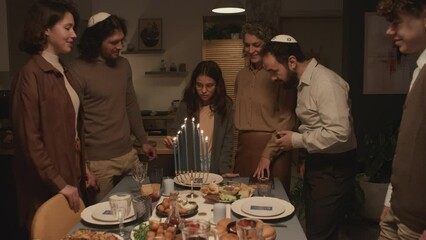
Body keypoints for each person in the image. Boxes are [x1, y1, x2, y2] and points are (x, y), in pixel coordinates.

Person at [261, 34, 357, 240]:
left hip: (334, 169)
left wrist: (296, 141)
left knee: (320, 234)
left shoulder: (326, 82)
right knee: (314, 229)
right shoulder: (304, 82)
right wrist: (306, 158)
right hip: (319, 163)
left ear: (292, 62)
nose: (273, 78)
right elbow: (313, 126)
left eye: (274, 71)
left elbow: (339, 133)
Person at [10, 0, 89, 235]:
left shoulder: (63, 71)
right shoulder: (30, 75)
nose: (74, 34)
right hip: (48, 186)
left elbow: (70, 131)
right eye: (67, 28)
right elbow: (29, 141)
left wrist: (83, 168)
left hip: (69, 178)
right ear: (45, 29)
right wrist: (59, 183)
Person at [69, 12, 157, 203]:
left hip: (128, 154)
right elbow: (72, 122)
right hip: (99, 162)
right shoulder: (77, 70)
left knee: (145, 205)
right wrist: (82, 166)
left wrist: (143, 140)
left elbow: (131, 104)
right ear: (96, 41)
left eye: (121, 41)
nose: (119, 46)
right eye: (113, 42)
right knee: (106, 218)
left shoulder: (124, 65)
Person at [376, 0, 426, 239]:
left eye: (396, 22)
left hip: (417, 223)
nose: (389, 31)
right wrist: (390, 199)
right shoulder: (419, 67)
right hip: (398, 211)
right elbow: (408, 150)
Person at [234, 21, 297, 192]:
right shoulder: (241, 76)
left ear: (267, 45)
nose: (251, 50)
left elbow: (287, 119)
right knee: (240, 201)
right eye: (247, 45)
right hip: (244, 148)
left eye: (256, 45)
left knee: (273, 203)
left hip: (274, 149)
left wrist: (267, 154)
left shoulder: (279, 74)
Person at [163, 60, 235, 176]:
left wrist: (225, 169)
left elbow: (227, 141)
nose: (204, 91)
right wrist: (171, 140)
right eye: (199, 85)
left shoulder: (225, 105)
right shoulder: (186, 105)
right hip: (189, 167)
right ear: (194, 85)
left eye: (209, 86)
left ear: (217, 85)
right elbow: (174, 132)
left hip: (214, 165)